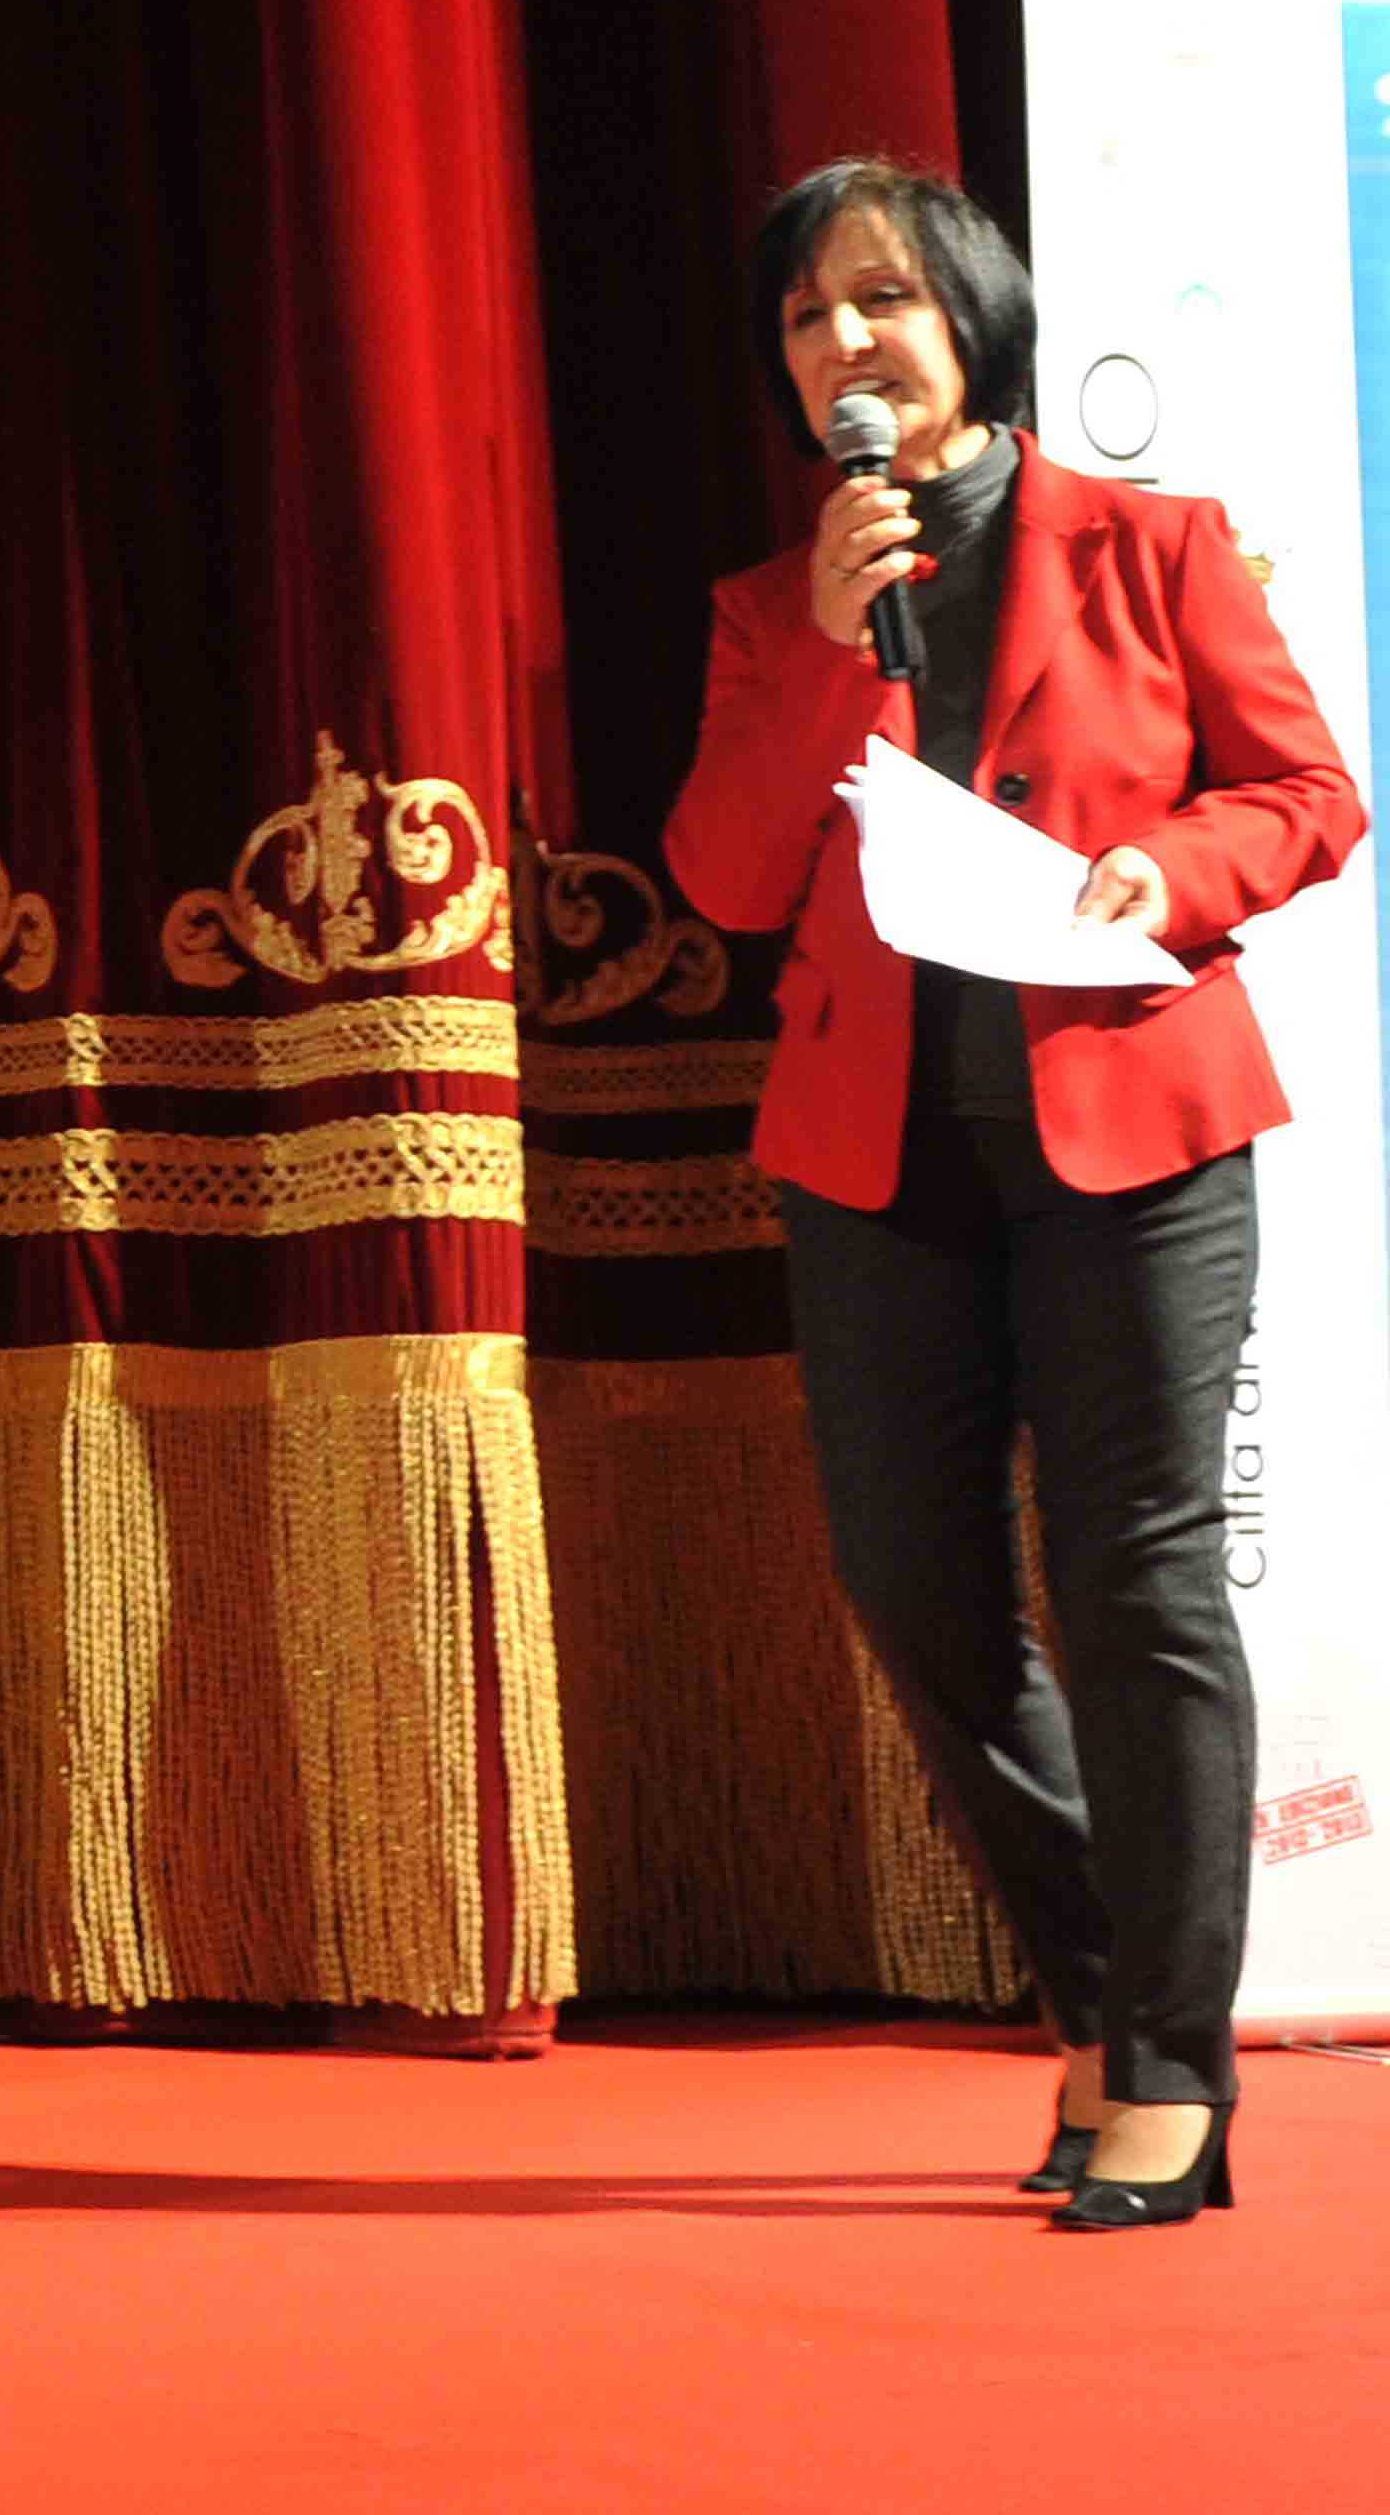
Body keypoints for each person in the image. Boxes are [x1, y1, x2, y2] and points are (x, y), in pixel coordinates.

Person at [664, 157, 1364, 2231]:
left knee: (1138, 1586)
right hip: (879, 1154)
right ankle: (1097, 1991)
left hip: (1131, 1126)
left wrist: (1174, 869)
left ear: (970, 318)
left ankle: (1172, 2073)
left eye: (880, 299)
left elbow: (1309, 793)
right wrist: (821, 649)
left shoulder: (1152, 546)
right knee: (919, 1595)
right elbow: (725, 878)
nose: (844, 343)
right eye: (807, 316)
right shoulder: (773, 603)